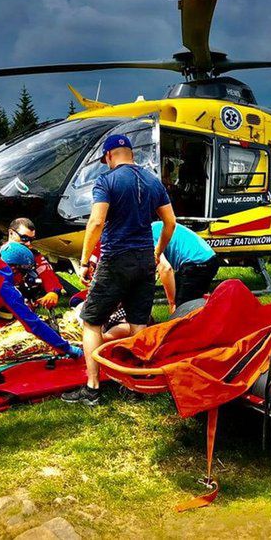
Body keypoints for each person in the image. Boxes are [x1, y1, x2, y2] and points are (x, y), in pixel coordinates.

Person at [61, 134, 176, 406]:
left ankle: (92, 389)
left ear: (110, 155)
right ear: (130, 153)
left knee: (91, 321)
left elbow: (97, 222)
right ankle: (137, 385)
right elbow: (170, 223)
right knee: (139, 322)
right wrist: (157, 252)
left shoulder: (106, 181)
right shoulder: (153, 181)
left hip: (115, 258)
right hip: (145, 259)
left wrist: (85, 258)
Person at [0, 242, 81, 359]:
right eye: (23, 274)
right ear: (14, 269)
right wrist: (65, 348)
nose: (23, 279)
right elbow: (33, 324)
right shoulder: (4, 287)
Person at [0, 217, 63, 309]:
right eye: (24, 238)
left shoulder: (35, 256)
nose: (28, 243)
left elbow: (48, 275)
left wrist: (53, 292)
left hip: (25, 307)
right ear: (11, 233)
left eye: (31, 240)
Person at [152, 221, 219, 314]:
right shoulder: (153, 227)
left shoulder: (145, 237)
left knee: (182, 312)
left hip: (197, 262)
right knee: (190, 304)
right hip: (205, 258)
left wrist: (171, 304)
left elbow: (166, 269)